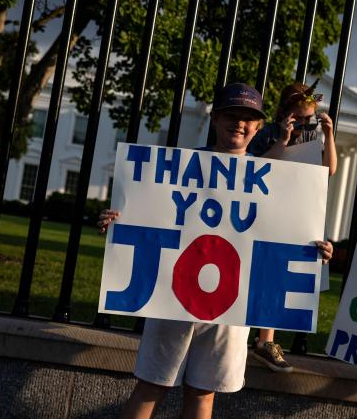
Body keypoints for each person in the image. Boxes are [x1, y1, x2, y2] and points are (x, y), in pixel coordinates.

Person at [97, 82, 334, 419]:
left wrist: (316, 251)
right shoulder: (177, 167)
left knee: (203, 394)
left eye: (248, 117)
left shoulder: (273, 177)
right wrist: (118, 221)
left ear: (258, 125)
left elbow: (286, 231)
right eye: (231, 115)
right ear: (215, 118)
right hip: (172, 301)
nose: (239, 123)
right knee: (152, 386)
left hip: (233, 306)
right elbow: (146, 213)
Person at [246, 80, 338, 373]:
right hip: (264, 211)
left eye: (307, 118)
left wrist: (328, 134)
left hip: (295, 212)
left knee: (278, 276)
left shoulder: (313, 136)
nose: (301, 123)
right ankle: (250, 336)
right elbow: (255, 169)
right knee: (257, 271)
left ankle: (265, 341)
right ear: (283, 113)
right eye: (297, 117)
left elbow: (329, 170)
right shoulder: (270, 134)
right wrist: (283, 141)